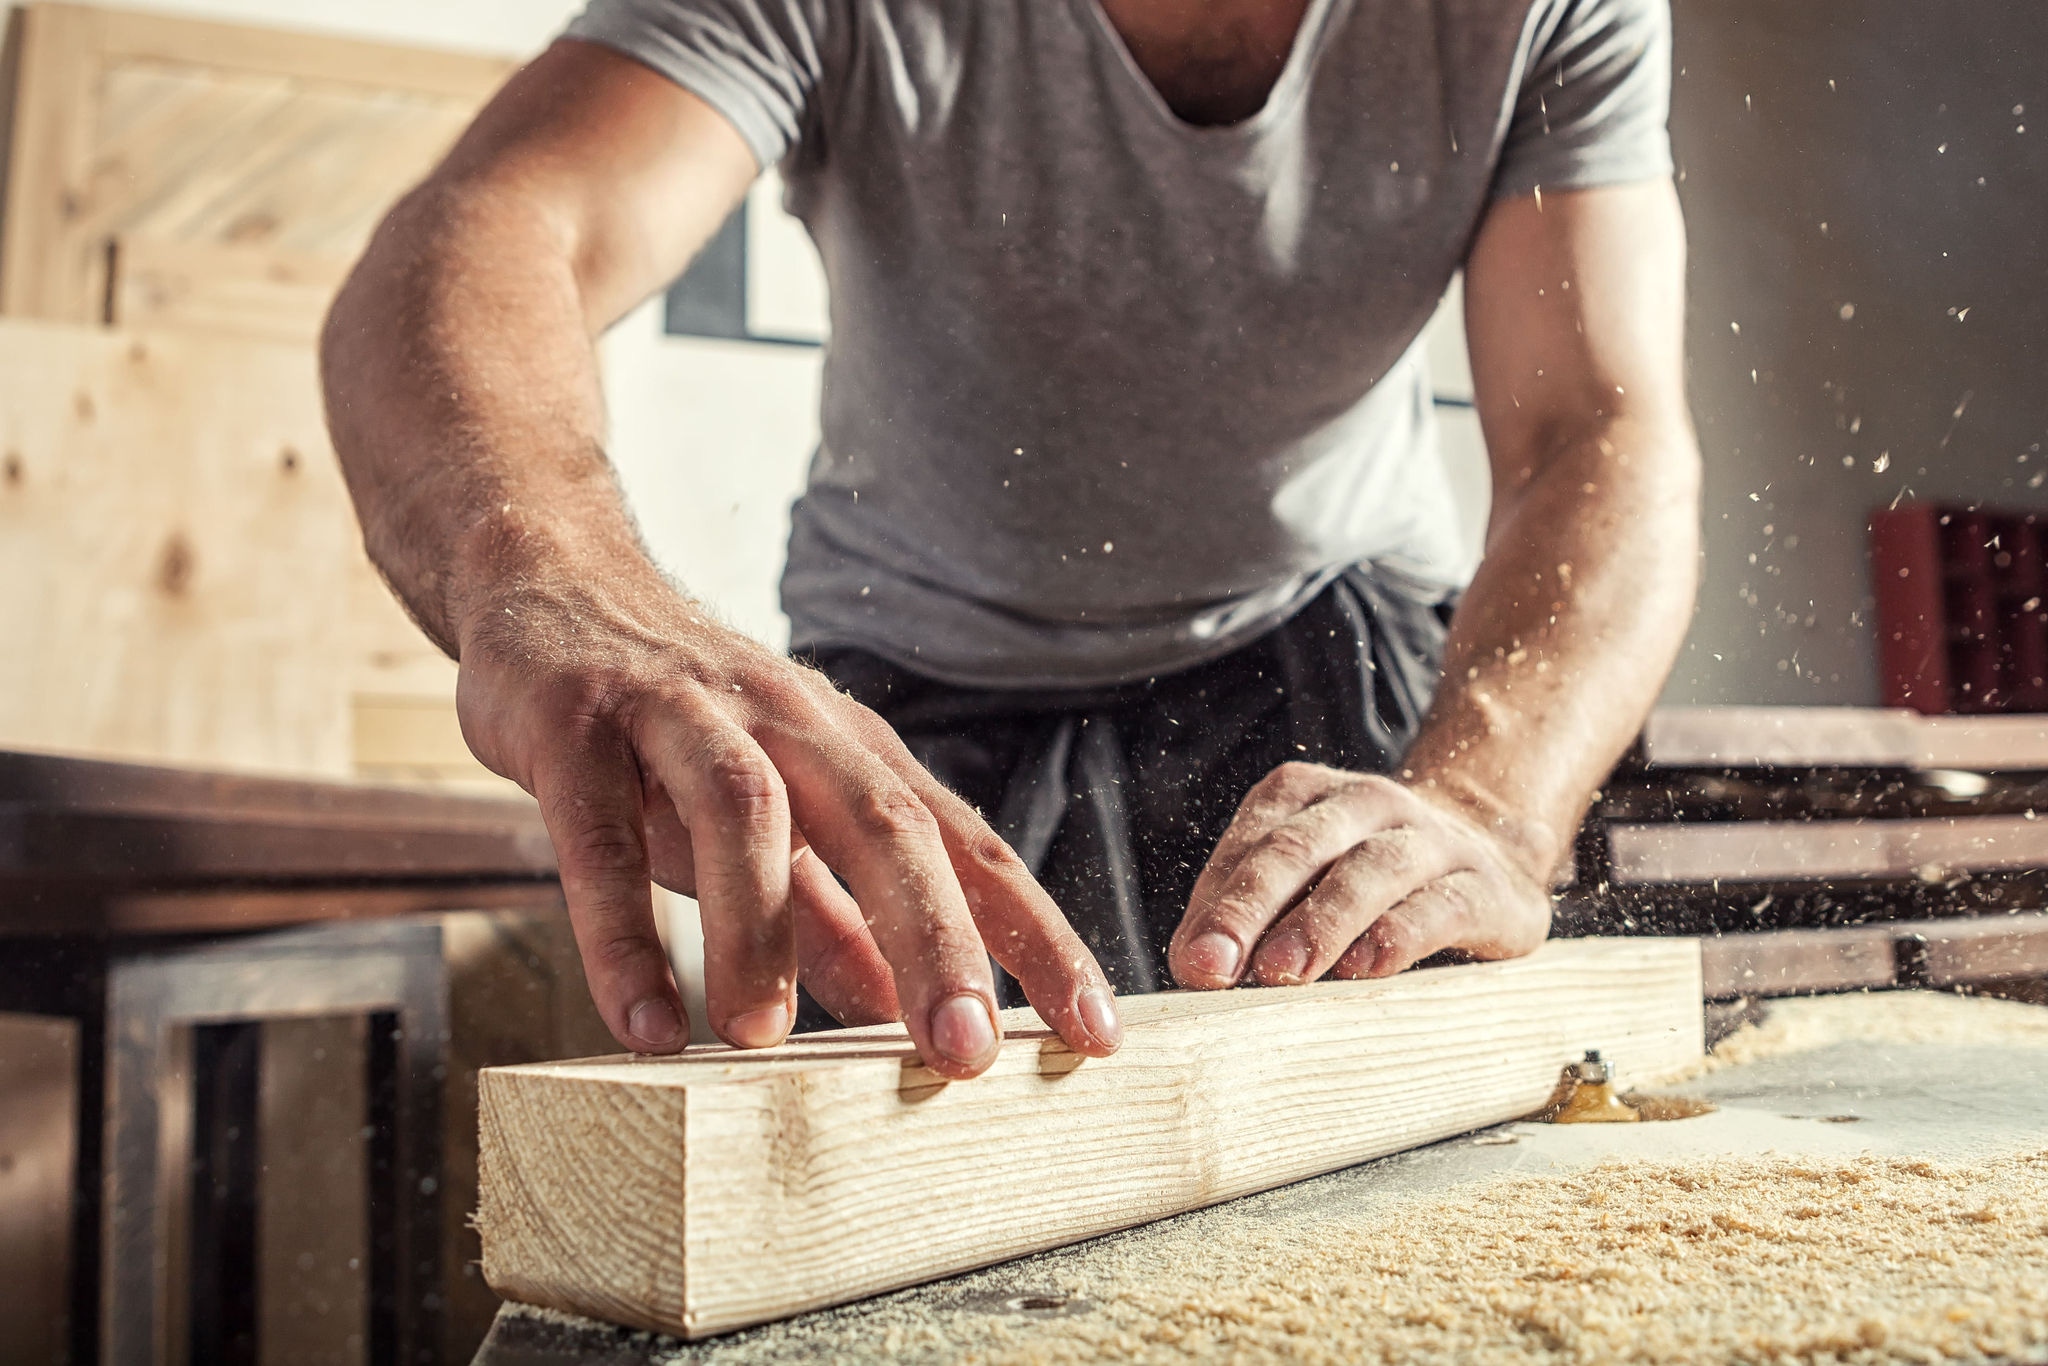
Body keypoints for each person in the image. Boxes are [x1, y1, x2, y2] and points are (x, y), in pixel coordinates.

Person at [321, 0, 1700, 1082]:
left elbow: (1597, 426)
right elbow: (491, 231)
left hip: (1331, 665)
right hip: (918, 701)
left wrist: (1493, 811)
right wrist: (554, 572)